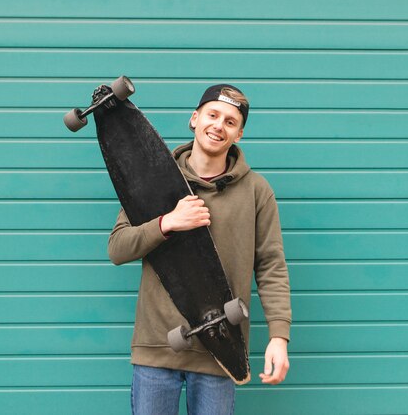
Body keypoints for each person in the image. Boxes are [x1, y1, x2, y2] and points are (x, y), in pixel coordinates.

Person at [108, 84, 292, 414]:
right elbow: (117, 248)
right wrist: (167, 223)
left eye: (230, 122)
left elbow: (270, 266)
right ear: (194, 119)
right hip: (157, 349)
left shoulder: (256, 191)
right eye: (212, 115)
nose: (219, 125)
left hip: (219, 351)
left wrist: (278, 337)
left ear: (239, 135)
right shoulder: (155, 179)